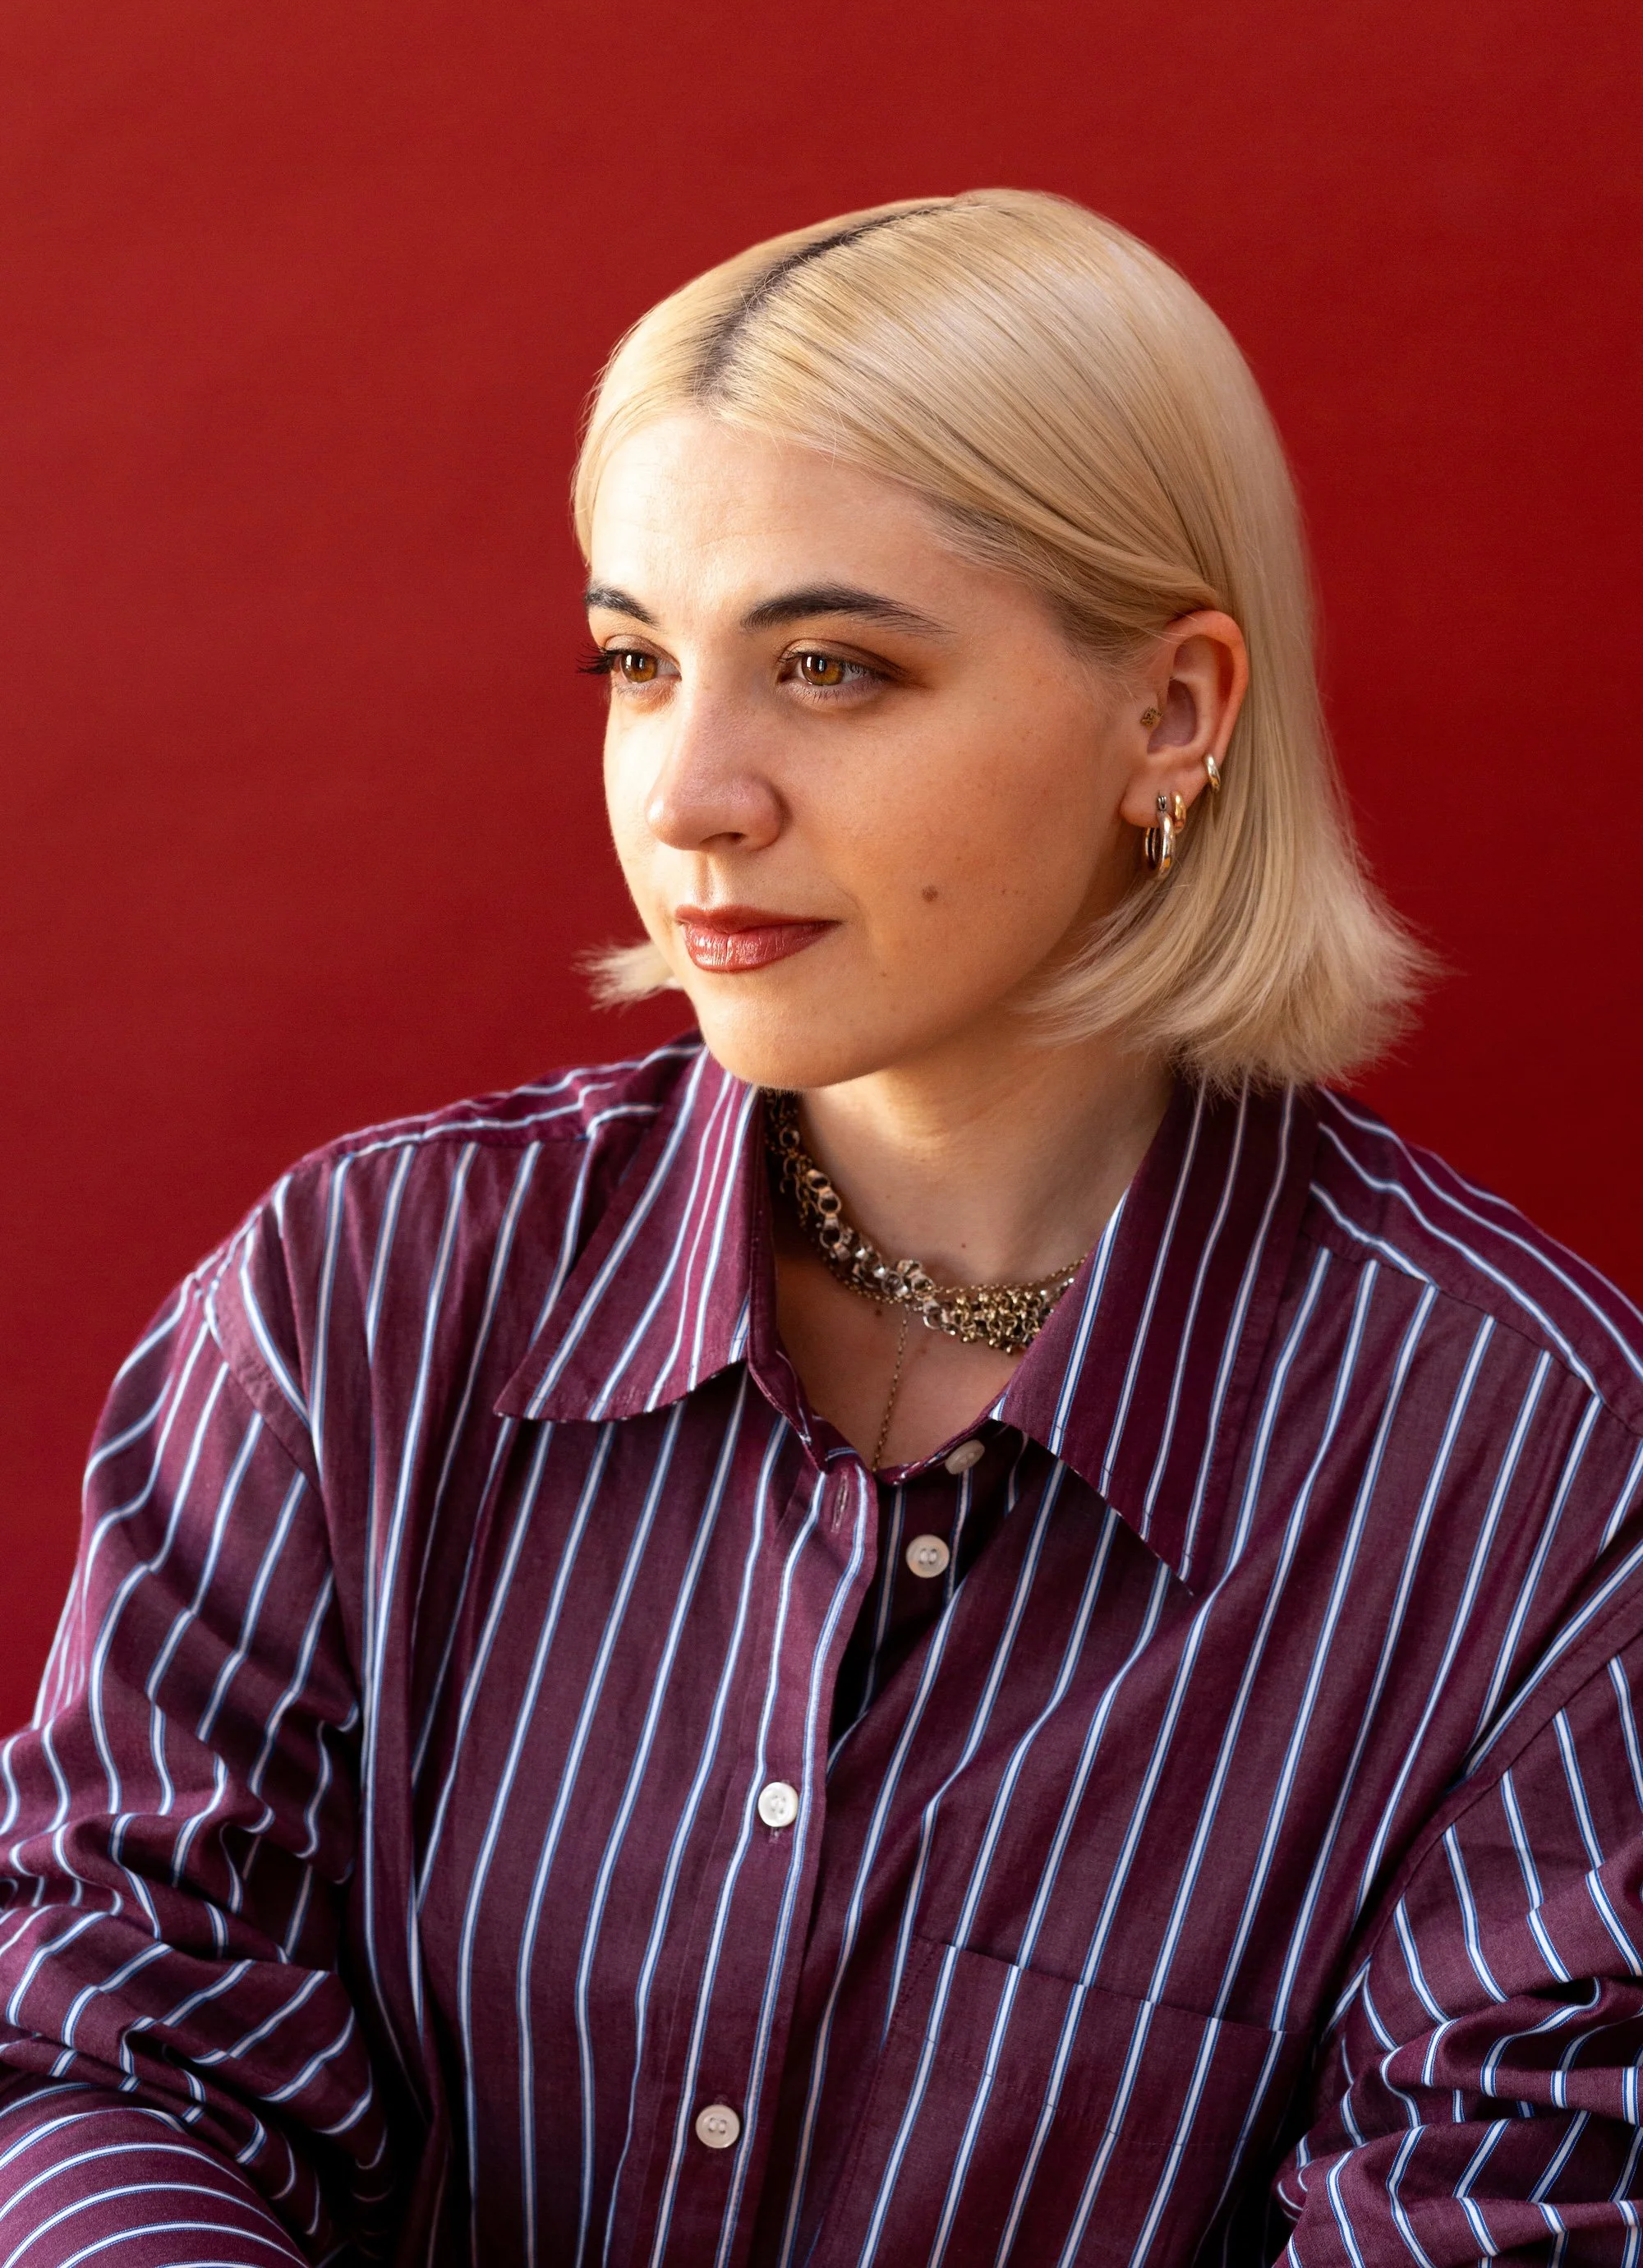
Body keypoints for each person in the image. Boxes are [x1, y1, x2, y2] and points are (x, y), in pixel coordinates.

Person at [1, 191, 1640, 2268]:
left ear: (1175, 711)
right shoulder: (364, 1297)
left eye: (833, 668)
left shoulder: (1549, 1484)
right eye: (634, 661)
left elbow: (1491, 2218)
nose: (686, 792)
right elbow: (111, 2042)